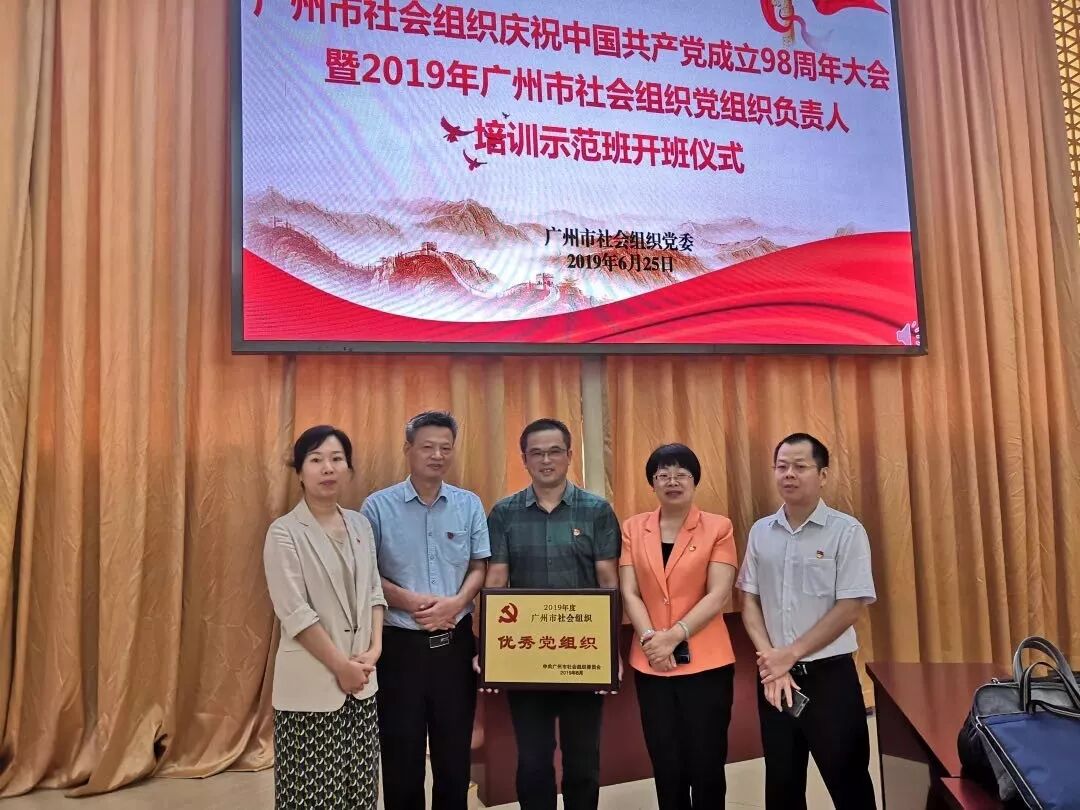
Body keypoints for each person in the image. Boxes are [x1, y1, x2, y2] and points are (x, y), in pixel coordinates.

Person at [481, 418, 621, 810]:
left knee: (583, 760)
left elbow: (608, 581)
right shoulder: (504, 513)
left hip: (583, 657)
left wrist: (611, 653)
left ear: (569, 455)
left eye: (554, 451)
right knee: (533, 761)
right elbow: (496, 581)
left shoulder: (597, 511)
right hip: (527, 660)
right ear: (524, 459)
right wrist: (490, 652)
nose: (546, 460)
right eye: (537, 453)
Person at [736, 433, 878, 810]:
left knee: (849, 783)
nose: (789, 474)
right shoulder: (761, 532)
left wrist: (791, 654)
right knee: (782, 785)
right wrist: (772, 661)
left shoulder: (846, 531)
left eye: (800, 466)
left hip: (830, 678)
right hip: (774, 680)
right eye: (781, 466)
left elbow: (850, 607)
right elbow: (749, 600)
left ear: (823, 475)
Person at [361, 411, 490, 810]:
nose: (437, 455)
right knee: (401, 753)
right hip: (399, 648)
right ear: (408, 449)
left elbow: (479, 566)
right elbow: (366, 575)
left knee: (454, 754)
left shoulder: (468, 504)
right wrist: (409, 601)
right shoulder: (377, 507)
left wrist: (456, 602)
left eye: (445, 448)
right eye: (428, 447)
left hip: (454, 646)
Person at [263, 425, 386, 810]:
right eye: (316, 460)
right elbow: (294, 613)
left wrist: (375, 649)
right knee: (312, 796)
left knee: (360, 794)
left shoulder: (360, 525)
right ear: (299, 471)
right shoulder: (284, 532)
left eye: (336, 459)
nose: (327, 468)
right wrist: (341, 667)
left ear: (348, 468)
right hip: (311, 685)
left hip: (362, 683)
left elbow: (374, 591)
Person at [619, 443, 738, 810]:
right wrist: (651, 639)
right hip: (652, 662)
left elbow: (718, 594)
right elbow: (629, 591)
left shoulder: (718, 527)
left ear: (694, 480)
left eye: (681, 474)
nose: (672, 481)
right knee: (665, 760)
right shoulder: (633, 528)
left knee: (707, 760)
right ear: (652, 482)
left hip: (707, 662)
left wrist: (674, 636)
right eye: (663, 475)